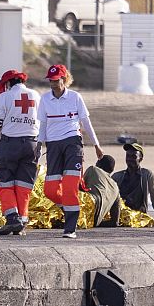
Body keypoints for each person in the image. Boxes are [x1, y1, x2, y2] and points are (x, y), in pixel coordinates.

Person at [37, 64, 104, 239]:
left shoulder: (75, 97)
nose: (53, 83)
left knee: (69, 185)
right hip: (53, 145)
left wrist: (96, 145)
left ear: (64, 79)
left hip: (72, 142)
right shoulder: (44, 99)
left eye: (56, 80)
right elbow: (43, 124)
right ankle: (70, 208)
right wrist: (38, 144)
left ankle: (70, 228)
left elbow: (86, 122)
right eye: (50, 80)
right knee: (50, 190)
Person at [0, 69, 41, 235]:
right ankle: (21, 223)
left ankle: (12, 219)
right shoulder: (36, 95)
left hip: (11, 144)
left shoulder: (5, 96)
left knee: (6, 183)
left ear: (8, 83)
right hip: (32, 144)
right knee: (24, 185)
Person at [112, 143, 154, 227]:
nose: (130, 159)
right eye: (128, 156)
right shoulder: (117, 176)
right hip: (119, 216)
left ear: (140, 159)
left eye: (134, 156)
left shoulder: (147, 175)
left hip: (138, 217)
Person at [82, 155, 121, 227]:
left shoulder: (93, 169)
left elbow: (80, 186)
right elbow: (115, 222)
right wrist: (98, 222)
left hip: (83, 212)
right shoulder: (115, 187)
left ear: (98, 164)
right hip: (93, 222)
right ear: (111, 170)